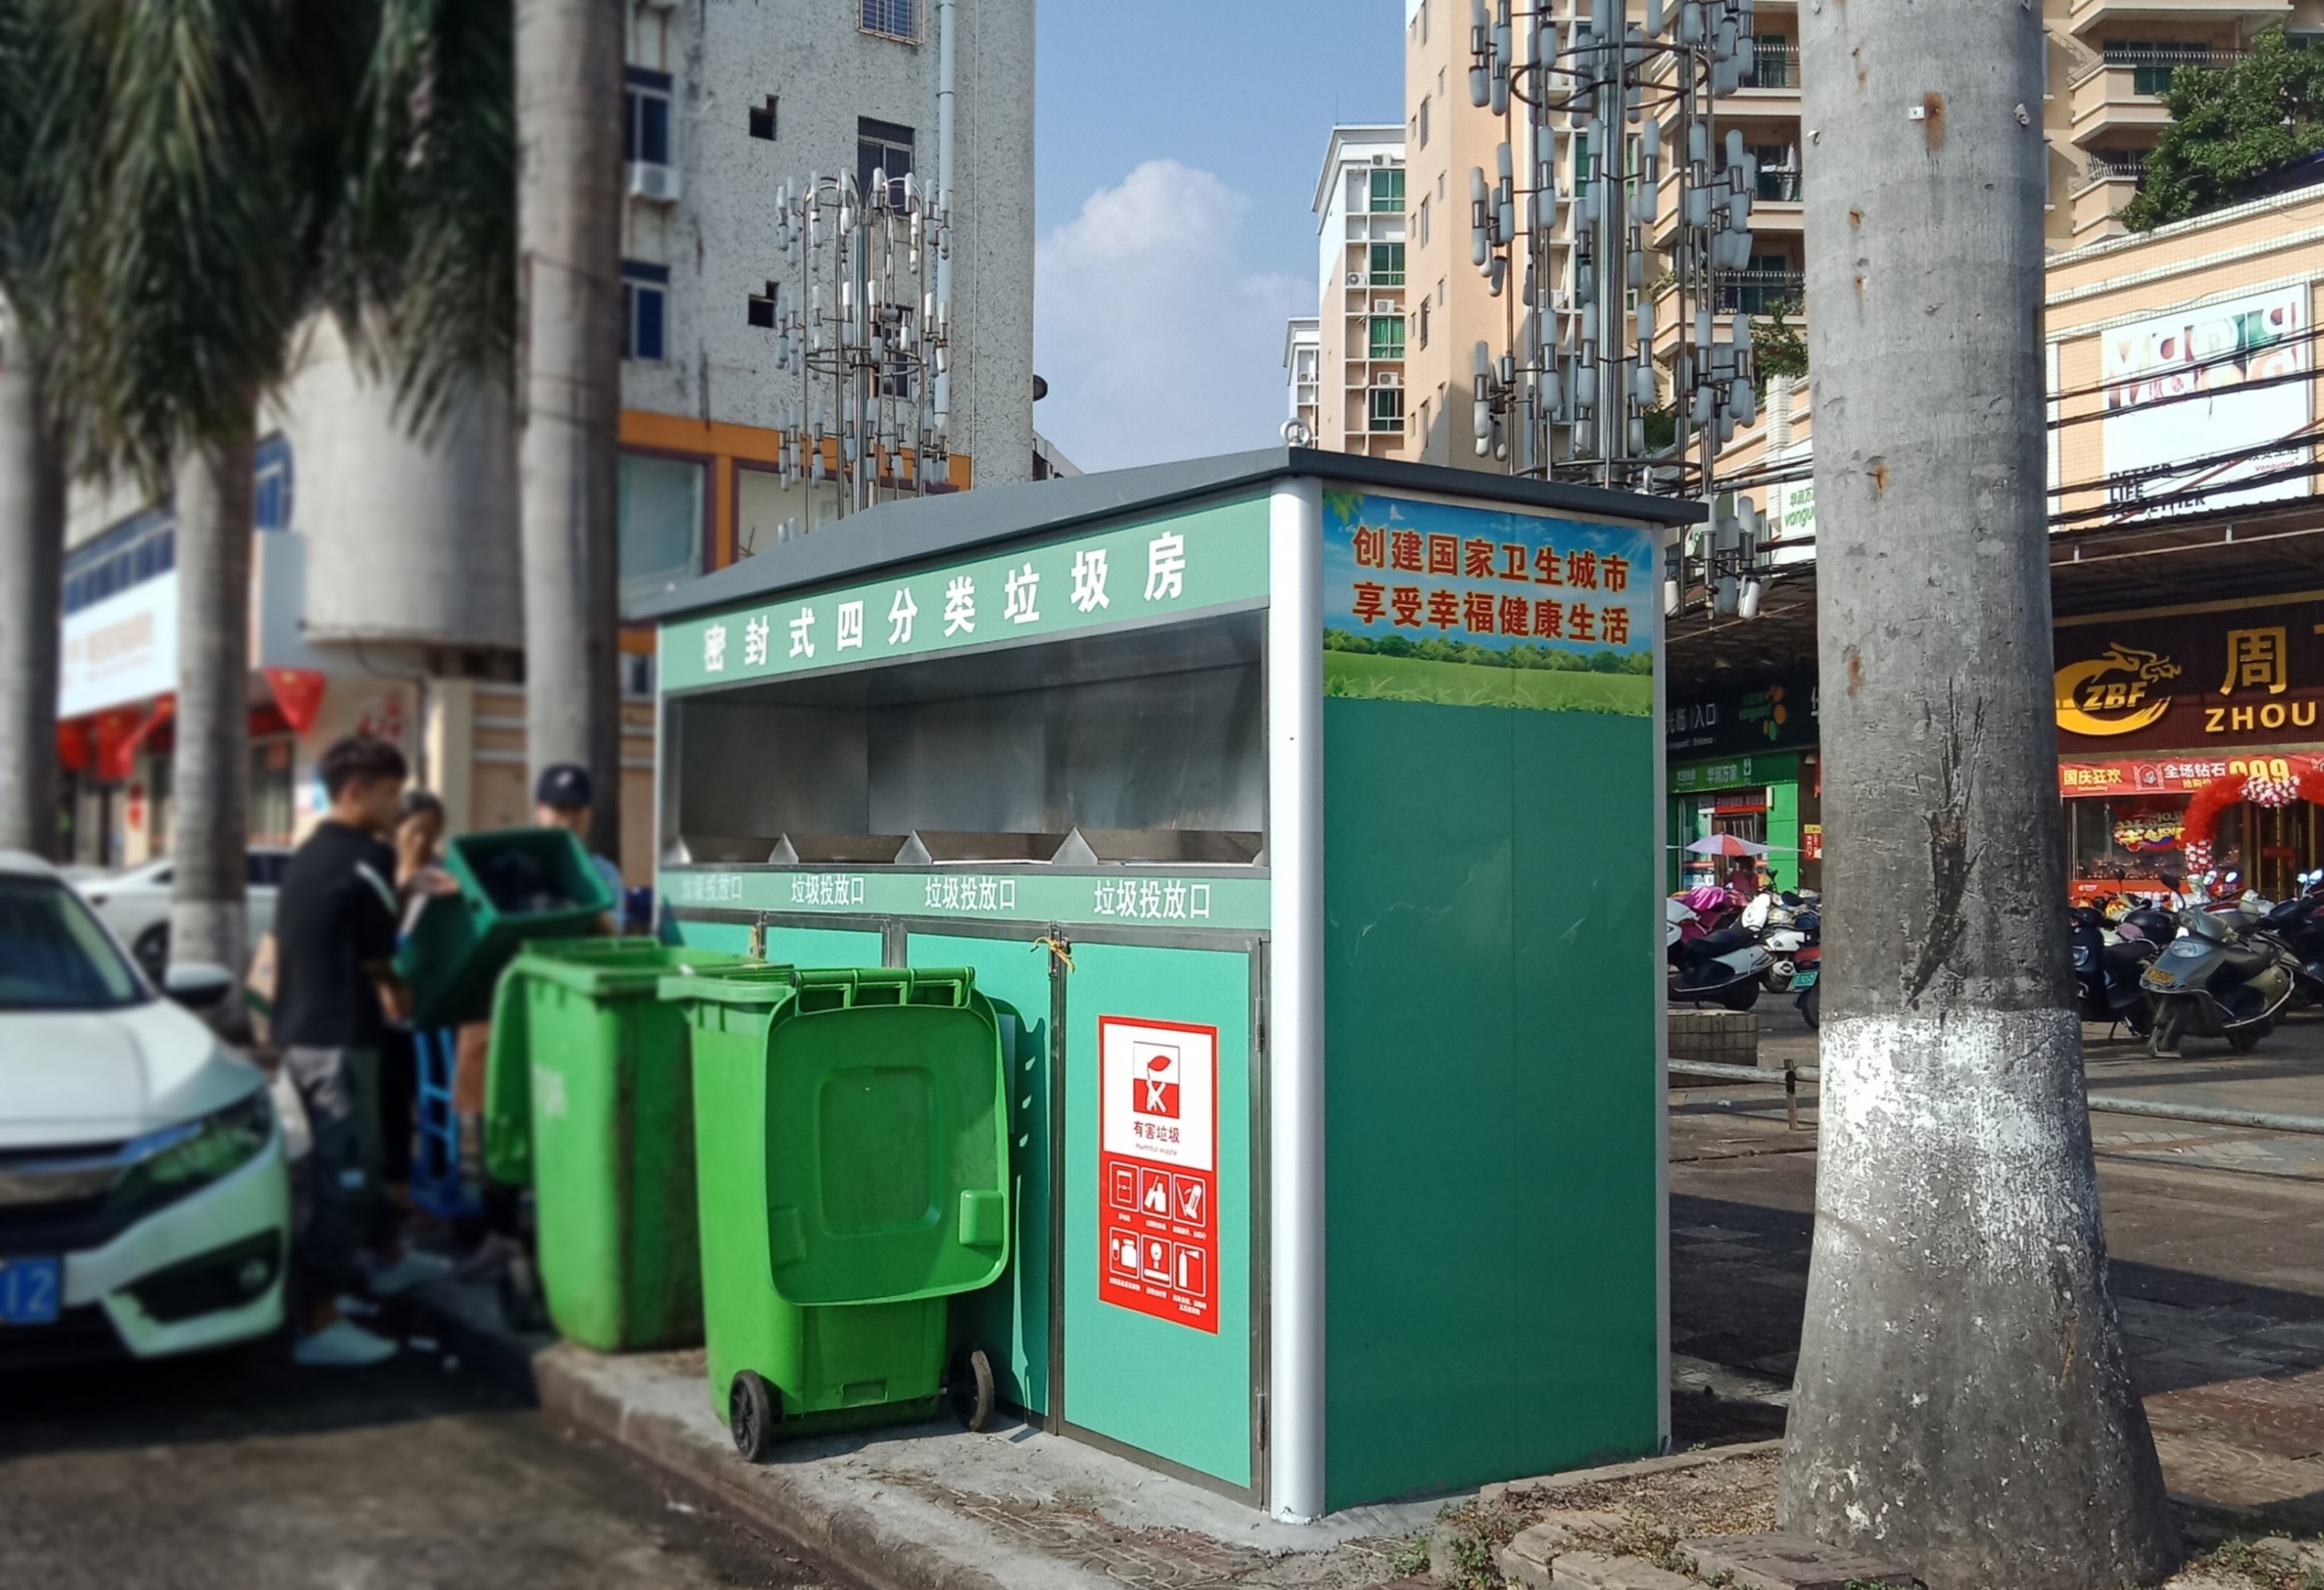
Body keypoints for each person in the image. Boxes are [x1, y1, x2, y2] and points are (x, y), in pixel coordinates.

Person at [272, 735, 444, 1366]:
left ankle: (385, 1259)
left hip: (301, 1033)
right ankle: (317, 1321)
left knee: (356, 1163)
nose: (396, 807)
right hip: (338, 1039)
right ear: (354, 792)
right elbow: (380, 953)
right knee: (344, 1177)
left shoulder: (310, 853)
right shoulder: (368, 858)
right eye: (390, 794)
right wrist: (401, 988)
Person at [534, 763, 627, 930]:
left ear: (589, 813)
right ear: (540, 809)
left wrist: (578, 890)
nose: (568, 820)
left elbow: (614, 932)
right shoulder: (517, 864)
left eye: (576, 809)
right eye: (560, 808)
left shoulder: (605, 872)